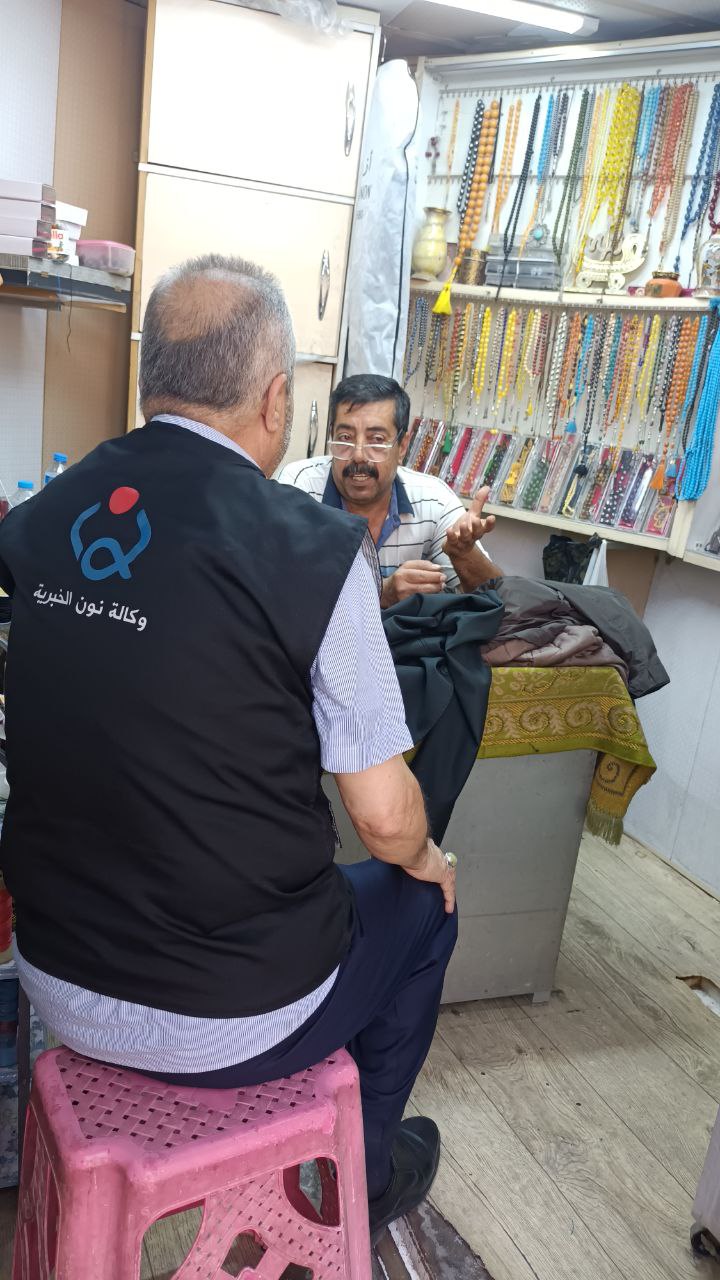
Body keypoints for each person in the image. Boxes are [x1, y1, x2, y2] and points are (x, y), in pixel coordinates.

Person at [0, 255, 457, 1242]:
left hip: (53, 972)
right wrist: (427, 856)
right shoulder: (312, 547)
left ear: (148, 380)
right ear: (275, 399)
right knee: (424, 905)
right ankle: (369, 1171)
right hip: (236, 1011)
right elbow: (383, 818)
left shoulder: (43, 518)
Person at [279, 373, 502, 607]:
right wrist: (381, 592)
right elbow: (275, 587)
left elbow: (499, 601)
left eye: (376, 440)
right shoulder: (299, 487)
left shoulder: (434, 500)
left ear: (402, 446)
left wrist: (464, 555)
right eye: (345, 437)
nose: (358, 455)